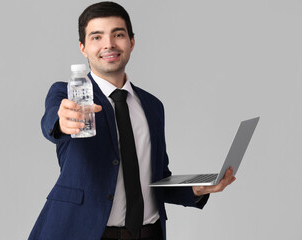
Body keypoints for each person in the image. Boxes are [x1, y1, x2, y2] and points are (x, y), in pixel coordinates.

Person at [29, 2, 235, 240]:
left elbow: (154, 179)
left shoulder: (153, 106)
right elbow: (52, 120)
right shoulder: (67, 94)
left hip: (148, 233)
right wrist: (61, 122)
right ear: (83, 48)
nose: (109, 44)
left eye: (118, 34)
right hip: (84, 232)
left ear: (132, 42)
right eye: (97, 37)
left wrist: (194, 190)